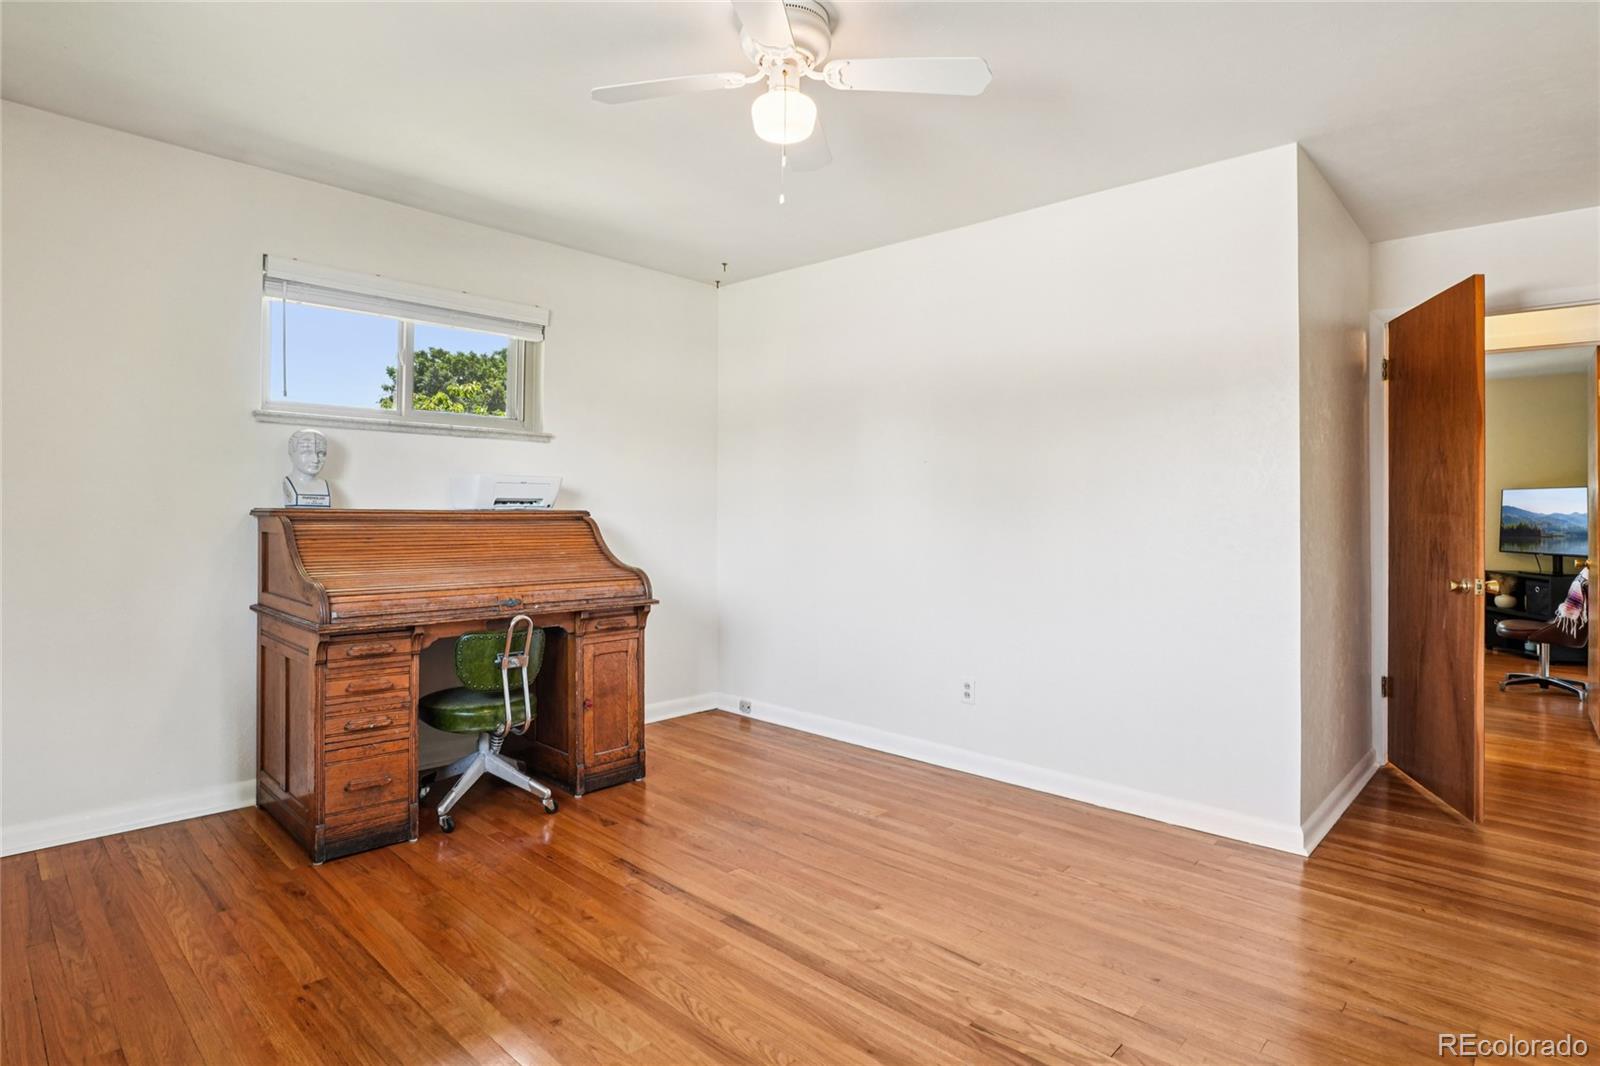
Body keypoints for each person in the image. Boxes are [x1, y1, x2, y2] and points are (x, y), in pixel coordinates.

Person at [283, 428, 332, 507]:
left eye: (321, 453)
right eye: (307, 452)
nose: (315, 460)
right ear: (291, 454)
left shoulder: (325, 485)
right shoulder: (288, 483)